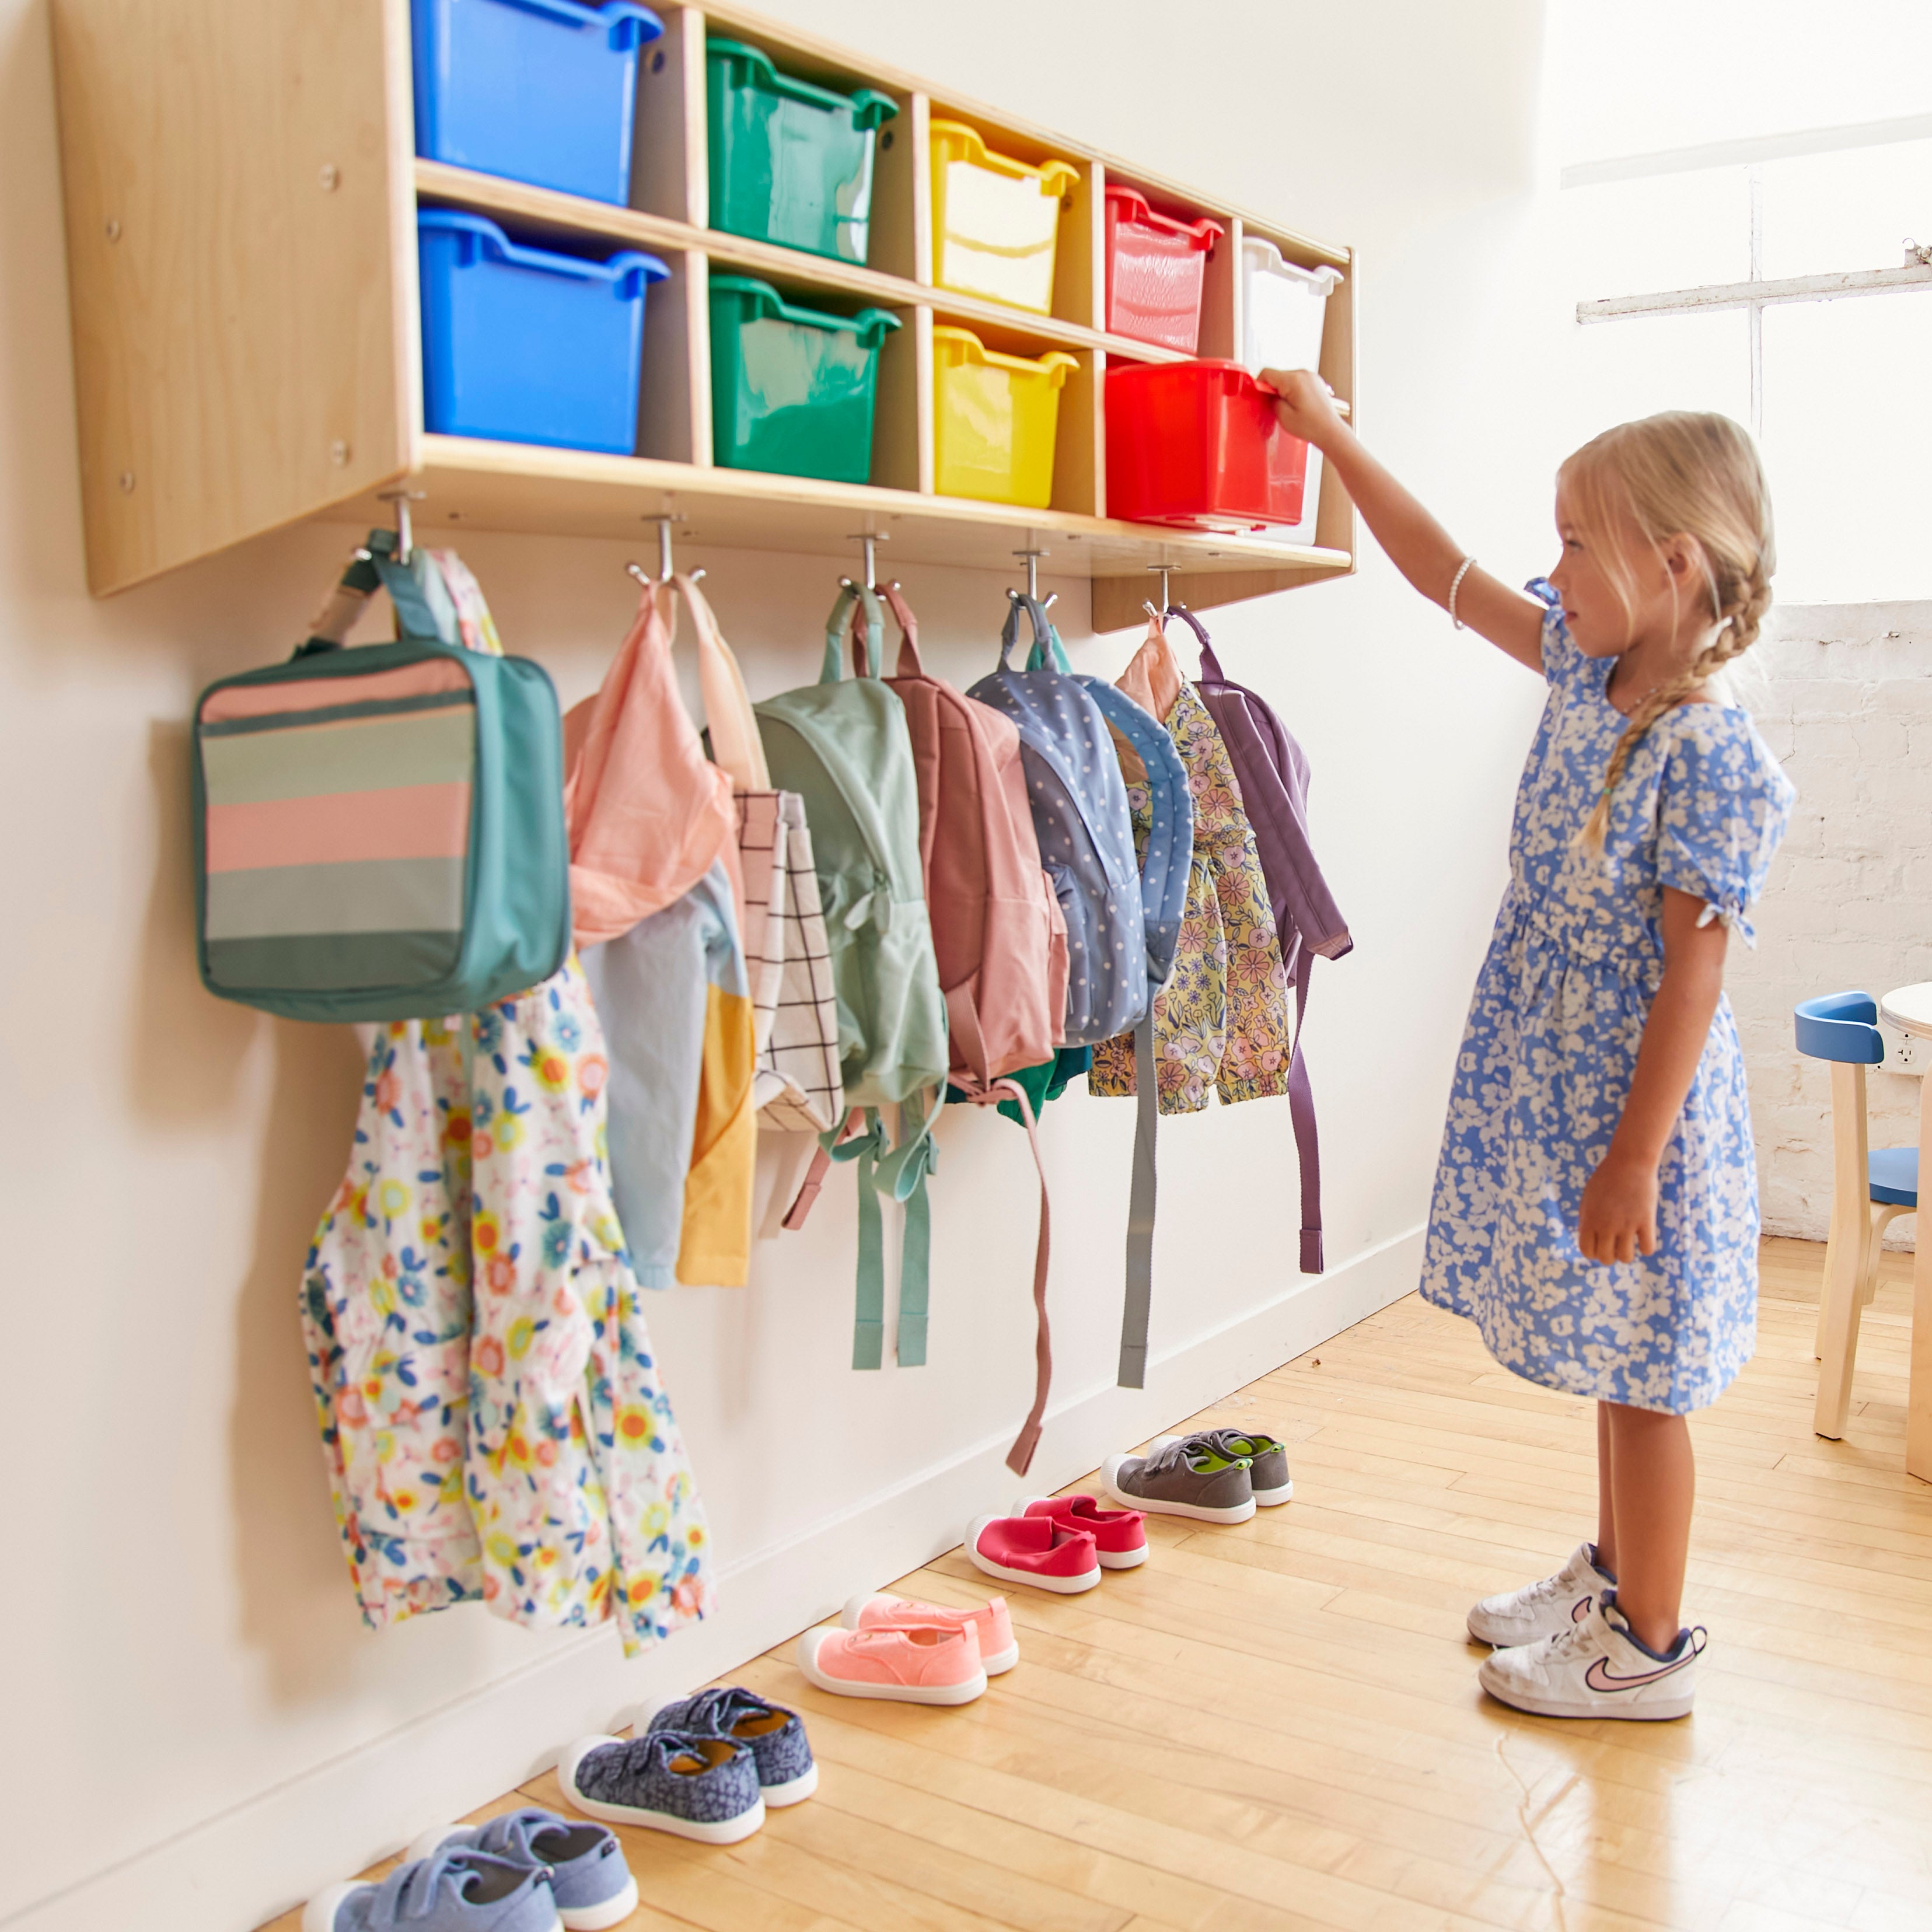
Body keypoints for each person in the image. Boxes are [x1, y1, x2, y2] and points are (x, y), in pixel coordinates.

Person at [1265, 377, 1794, 1721]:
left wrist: (1635, 1161)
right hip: (1561, 1079)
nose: (1548, 570)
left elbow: (1693, 980)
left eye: (1573, 541)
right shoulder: (1581, 663)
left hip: (1640, 1109)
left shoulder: (1706, 750)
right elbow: (1440, 569)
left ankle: (1649, 1648)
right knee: (1616, 1356)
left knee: (1648, 1379)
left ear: (1671, 564)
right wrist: (1332, 435)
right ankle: (1614, 1581)